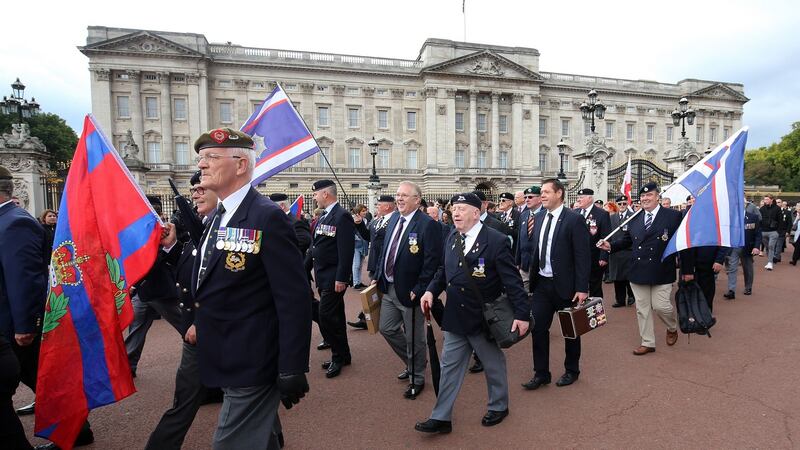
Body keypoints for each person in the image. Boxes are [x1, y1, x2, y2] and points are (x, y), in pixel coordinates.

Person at [192, 128, 311, 448]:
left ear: (241, 165)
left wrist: (292, 366)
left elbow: (294, 298)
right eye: (201, 158)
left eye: (211, 158)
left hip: (253, 360)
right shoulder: (220, 215)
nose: (202, 165)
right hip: (225, 353)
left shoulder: (266, 216)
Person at [415, 193, 529, 434]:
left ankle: (499, 406)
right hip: (456, 316)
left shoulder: (496, 241)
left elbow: (513, 282)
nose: (455, 213)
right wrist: (430, 291)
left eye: (462, 209)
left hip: (484, 317)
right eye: (454, 208)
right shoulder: (451, 237)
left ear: (476, 213)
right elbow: (443, 272)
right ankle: (441, 417)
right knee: (449, 367)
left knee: (492, 364)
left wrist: (522, 315)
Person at [146, 171, 224, 450]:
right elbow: (195, 266)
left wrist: (203, 321)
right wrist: (172, 248)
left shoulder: (228, 226)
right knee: (185, 400)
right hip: (198, 333)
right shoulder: (202, 225)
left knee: (244, 395)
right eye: (193, 190)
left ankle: (271, 438)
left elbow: (230, 283)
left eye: (202, 188)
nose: (195, 193)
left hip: (220, 332)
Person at [598, 182, 694, 355]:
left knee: (661, 306)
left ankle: (672, 327)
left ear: (658, 197)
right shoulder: (634, 217)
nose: (645, 199)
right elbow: (628, 240)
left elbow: (683, 244)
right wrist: (610, 246)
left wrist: (687, 271)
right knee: (642, 309)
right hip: (638, 270)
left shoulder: (673, 216)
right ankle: (647, 342)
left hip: (662, 270)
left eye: (649, 195)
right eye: (642, 196)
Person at [373, 181, 442, 399]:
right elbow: (385, 250)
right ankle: (415, 362)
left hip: (411, 291)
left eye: (404, 195)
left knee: (415, 338)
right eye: (397, 194)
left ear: (417, 200)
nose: (399, 199)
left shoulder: (427, 224)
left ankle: (417, 377)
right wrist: (378, 275)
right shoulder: (394, 218)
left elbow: (432, 261)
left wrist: (421, 287)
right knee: (386, 328)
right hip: (389, 286)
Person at [522, 179, 590, 390]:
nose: (541, 195)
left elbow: (582, 255)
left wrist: (581, 288)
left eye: (546, 192)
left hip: (566, 287)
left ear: (559, 193)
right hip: (542, 284)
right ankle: (541, 373)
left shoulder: (574, 219)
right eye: (541, 192)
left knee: (571, 329)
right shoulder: (539, 217)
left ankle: (572, 370)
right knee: (538, 329)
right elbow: (536, 250)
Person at [0, 165, 46, 450]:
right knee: (41, 379)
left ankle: (77, 428)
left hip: (13, 324)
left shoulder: (15, 221)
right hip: (8, 322)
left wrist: (25, 325)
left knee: (44, 380)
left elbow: (24, 278)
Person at [124, 195, 183, 378]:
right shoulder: (138, 231)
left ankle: (207, 357)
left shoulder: (162, 229)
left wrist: (136, 281)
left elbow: (157, 260)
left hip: (160, 290)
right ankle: (127, 367)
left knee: (187, 327)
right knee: (136, 328)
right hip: (144, 291)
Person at [308, 179, 355, 378]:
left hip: (334, 277)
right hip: (323, 275)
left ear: (325, 194)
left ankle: (337, 356)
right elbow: (317, 246)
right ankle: (343, 355)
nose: (314, 197)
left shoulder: (342, 216)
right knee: (336, 316)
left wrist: (341, 278)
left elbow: (346, 251)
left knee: (326, 316)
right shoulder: (325, 216)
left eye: (316, 194)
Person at [572, 188, 610, 299]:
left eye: (581, 197)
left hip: (594, 256)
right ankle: (579, 312)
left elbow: (606, 236)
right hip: (576, 257)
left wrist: (604, 256)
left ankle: (597, 313)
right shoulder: (574, 213)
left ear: (590, 198)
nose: (578, 200)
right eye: (578, 197)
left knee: (595, 287)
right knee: (577, 285)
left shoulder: (602, 214)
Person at [723, 197, 761, 299]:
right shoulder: (730, 218)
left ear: (745, 205)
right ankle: (731, 290)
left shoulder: (753, 217)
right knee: (732, 268)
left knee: (747, 268)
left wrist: (756, 247)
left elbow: (758, 234)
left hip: (747, 247)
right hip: (734, 247)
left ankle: (748, 287)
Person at [608, 196, 635, 307]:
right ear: (617, 205)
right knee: (617, 277)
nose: (622, 206)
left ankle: (631, 296)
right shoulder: (612, 217)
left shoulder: (633, 217)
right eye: (620, 204)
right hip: (615, 252)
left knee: (629, 277)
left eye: (624, 203)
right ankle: (619, 300)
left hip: (628, 251)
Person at [515, 186, 543, 285]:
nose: (527, 200)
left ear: (540, 199)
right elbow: (520, 240)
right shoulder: (523, 215)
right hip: (525, 265)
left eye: (530, 197)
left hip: (540, 265)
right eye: (525, 197)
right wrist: (517, 261)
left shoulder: (546, 214)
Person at [350, 204, 370, 289]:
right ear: (358, 212)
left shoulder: (367, 220)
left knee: (360, 265)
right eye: (363, 211)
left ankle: (358, 281)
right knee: (356, 264)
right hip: (356, 245)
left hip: (364, 245)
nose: (365, 212)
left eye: (365, 211)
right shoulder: (353, 220)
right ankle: (355, 283)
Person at [760, 195, 781, 270]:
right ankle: (771, 258)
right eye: (764, 199)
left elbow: (780, 220)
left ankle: (770, 263)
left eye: (767, 199)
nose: (765, 201)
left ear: (771, 200)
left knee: (771, 246)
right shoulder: (762, 209)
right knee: (767, 247)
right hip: (763, 232)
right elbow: (759, 220)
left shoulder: (777, 209)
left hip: (773, 232)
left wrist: (778, 232)